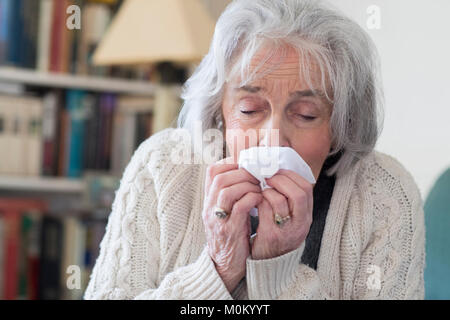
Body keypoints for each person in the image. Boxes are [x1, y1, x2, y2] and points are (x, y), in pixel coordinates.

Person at [84, 0, 425, 299]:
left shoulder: (385, 193)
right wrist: (217, 268)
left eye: (306, 115)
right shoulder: (163, 165)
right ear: (220, 112)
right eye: (249, 109)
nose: (273, 138)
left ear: (340, 127)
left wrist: (278, 270)